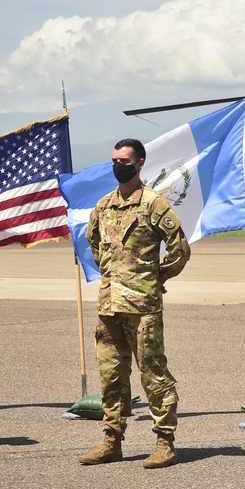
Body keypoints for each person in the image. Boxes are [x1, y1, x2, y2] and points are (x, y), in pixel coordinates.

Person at [79, 138, 191, 468]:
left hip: (142, 307)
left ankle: (165, 443)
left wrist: (155, 278)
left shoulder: (154, 204)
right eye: (114, 159)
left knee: (153, 375)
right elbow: (95, 247)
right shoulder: (103, 206)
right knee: (111, 377)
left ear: (140, 163)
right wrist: (115, 276)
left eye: (124, 160)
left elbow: (180, 250)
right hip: (109, 305)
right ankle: (111, 441)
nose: (118, 165)